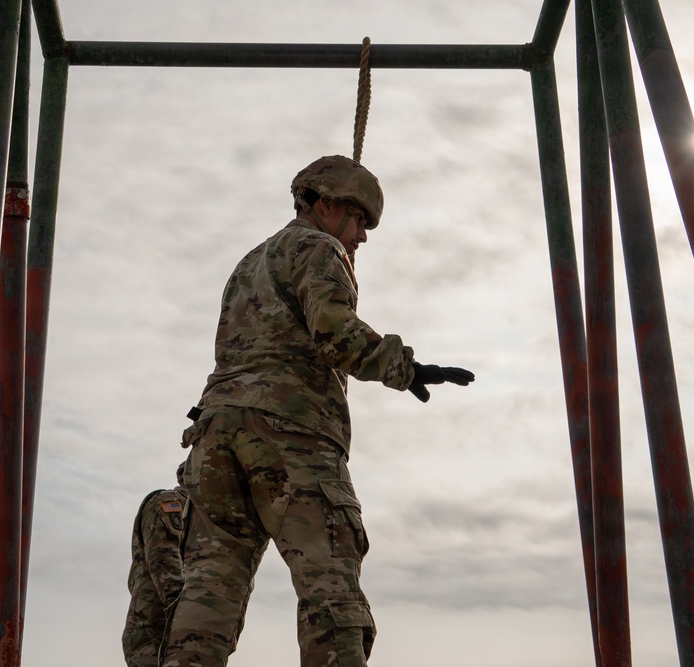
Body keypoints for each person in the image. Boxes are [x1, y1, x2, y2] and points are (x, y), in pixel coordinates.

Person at [162, 155, 474, 667]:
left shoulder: (250, 262)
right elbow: (334, 331)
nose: (362, 236)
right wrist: (407, 368)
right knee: (331, 591)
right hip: (290, 434)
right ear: (326, 205)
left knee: (208, 594)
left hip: (215, 435)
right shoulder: (320, 247)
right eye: (359, 219)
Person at [122, 464, 189, 667]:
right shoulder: (172, 503)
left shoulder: (207, 519)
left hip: (180, 637)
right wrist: (195, 627)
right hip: (157, 635)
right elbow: (167, 570)